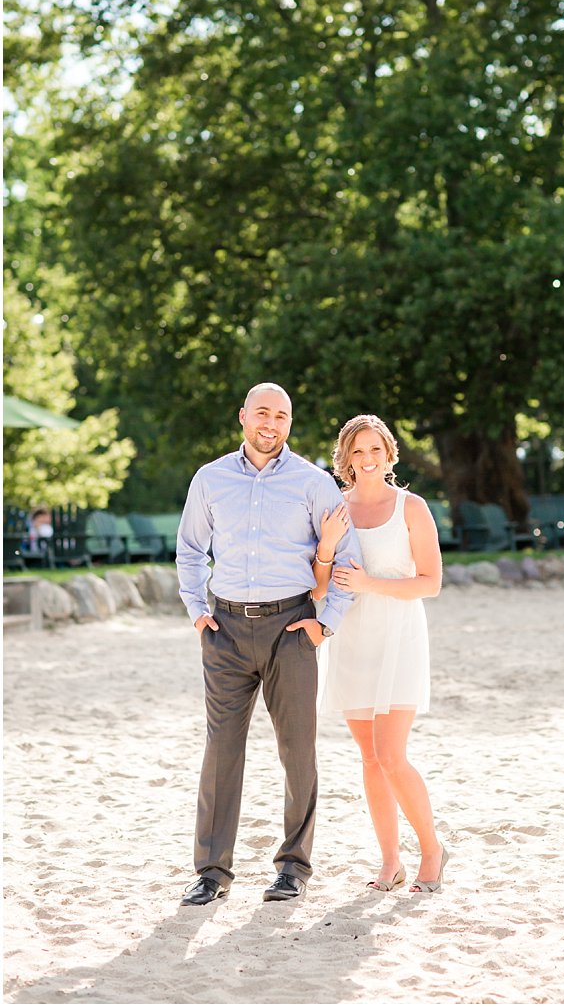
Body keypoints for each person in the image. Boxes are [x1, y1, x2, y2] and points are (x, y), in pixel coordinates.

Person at [176, 382, 362, 906]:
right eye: (262, 412)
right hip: (226, 632)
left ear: (289, 424)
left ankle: (293, 867)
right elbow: (190, 550)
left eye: (281, 416)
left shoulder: (313, 482)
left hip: (292, 628)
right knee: (221, 751)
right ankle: (211, 872)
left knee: (297, 750)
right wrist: (197, 613)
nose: (271, 423)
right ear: (242, 417)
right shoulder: (210, 479)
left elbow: (347, 559)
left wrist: (325, 624)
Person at [313, 414, 448, 893]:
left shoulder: (411, 507)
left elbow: (430, 583)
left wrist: (370, 583)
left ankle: (431, 850)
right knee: (369, 759)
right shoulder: (336, 509)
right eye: (357, 451)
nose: (367, 459)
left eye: (375, 450)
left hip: (399, 636)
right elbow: (318, 587)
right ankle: (390, 862)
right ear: (345, 459)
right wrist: (326, 548)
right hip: (351, 639)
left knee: (392, 754)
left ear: (389, 453)